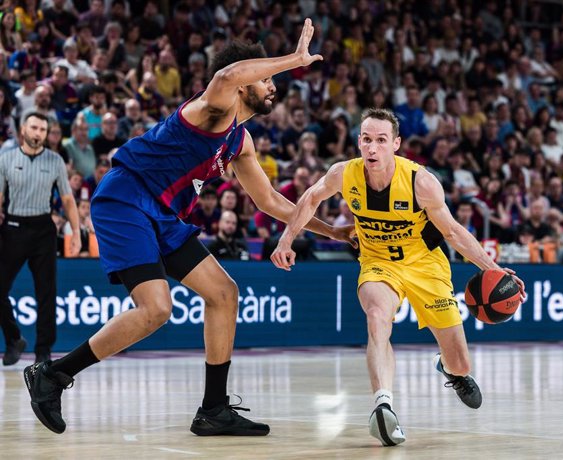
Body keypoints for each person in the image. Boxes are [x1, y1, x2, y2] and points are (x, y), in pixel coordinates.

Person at [23, 19, 353, 436]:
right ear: (245, 81)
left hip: (161, 215)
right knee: (157, 309)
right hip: (126, 197)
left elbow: (270, 202)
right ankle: (53, 375)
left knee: (224, 293)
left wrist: (333, 232)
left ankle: (213, 409)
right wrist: (295, 59)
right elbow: (227, 74)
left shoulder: (240, 140)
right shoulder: (213, 105)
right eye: (265, 77)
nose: (272, 85)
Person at [271, 108, 525, 446]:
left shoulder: (421, 181)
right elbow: (310, 197)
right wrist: (286, 239)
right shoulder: (344, 173)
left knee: (461, 363)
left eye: (380, 140)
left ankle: (450, 369)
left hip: (425, 265)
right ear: (359, 142)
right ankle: (383, 405)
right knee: (377, 317)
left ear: (396, 144)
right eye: (366, 140)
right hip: (378, 262)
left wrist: (491, 269)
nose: (372, 148)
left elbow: (452, 232)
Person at [0, 113, 80, 366]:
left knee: (46, 293)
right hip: (13, 227)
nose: (37, 133)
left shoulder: (55, 160)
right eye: (34, 127)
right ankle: (14, 339)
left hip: (43, 229)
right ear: (23, 129)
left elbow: (67, 199)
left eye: (42, 130)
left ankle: (43, 351)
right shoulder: (6, 159)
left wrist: (77, 232)